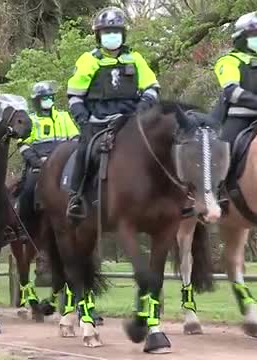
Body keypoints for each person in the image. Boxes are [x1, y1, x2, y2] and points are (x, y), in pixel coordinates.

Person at [65, 6, 160, 219]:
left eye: (115, 31)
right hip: (98, 120)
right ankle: (76, 196)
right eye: (107, 32)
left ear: (123, 34)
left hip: (133, 119)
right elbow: (74, 95)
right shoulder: (89, 60)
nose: (112, 36)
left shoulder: (135, 58)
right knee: (84, 151)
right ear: (99, 36)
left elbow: (152, 87)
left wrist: (143, 107)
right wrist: (83, 119)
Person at [16, 81, 79, 222]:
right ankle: (24, 227)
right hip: (40, 165)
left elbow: (75, 137)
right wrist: (36, 161)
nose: (49, 101)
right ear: (37, 101)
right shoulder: (31, 120)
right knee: (27, 191)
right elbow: (23, 145)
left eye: (51, 97)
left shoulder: (63, 117)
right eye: (45, 98)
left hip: (65, 163)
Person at [214, 9, 257, 146]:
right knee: (224, 150)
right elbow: (232, 92)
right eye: (255, 35)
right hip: (242, 117)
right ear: (242, 38)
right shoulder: (228, 61)